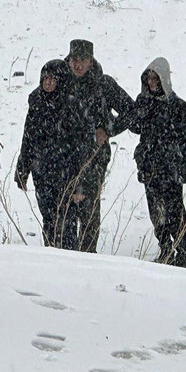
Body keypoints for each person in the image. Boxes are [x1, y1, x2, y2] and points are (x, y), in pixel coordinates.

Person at [16, 59, 96, 250]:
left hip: (67, 175)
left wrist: (81, 184)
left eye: (53, 79)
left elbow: (84, 147)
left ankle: (68, 262)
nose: (48, 83)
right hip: (42, 172)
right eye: (45, 79)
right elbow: (28, 137)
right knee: (49, 220)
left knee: (67, 223)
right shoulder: (36, 102)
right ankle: (51, 257)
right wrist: (23, 168)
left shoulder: (73, 105)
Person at [64, 39, 134, 253]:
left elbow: (131, 110)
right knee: (65, 206)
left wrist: (108, 129)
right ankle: (64, 254)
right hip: (64, 153)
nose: (77, 65)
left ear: (91, 61)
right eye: (74, 60)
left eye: (82, 60)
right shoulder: (62, 80)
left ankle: (88, 254)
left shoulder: (103, 84)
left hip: (95, 155)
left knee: (88, 207)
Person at [129, 58, 186, 268]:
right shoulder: (144, 102)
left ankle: (182, 252)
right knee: (156, 212)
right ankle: (166, 248)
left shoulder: (177, 105)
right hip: (150, 166)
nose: (151, 83)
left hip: (170, 167)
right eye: (148, 79)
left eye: (155, 79)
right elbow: (135, 126)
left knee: (175, 211)